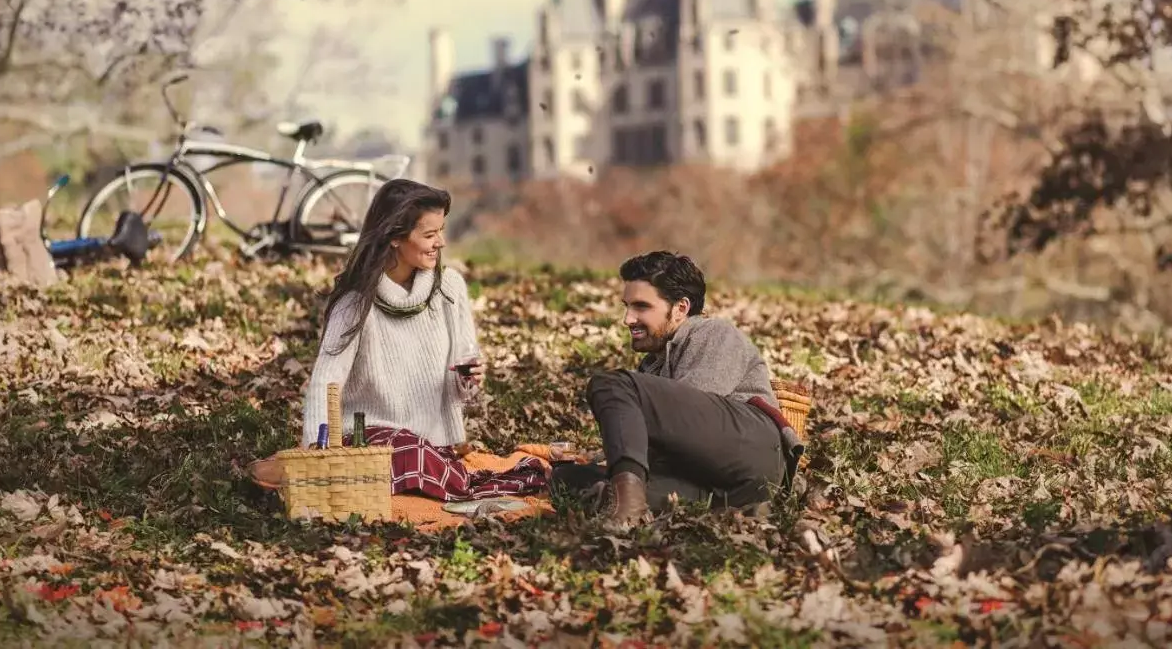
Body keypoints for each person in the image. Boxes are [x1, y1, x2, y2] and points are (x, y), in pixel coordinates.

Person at [266, 178, 545, 501]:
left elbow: (461, 388)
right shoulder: (355, 304)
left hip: (433, 445)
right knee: (408, 456)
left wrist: (470, 381)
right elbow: (324, 382)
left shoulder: (450, 288)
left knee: (421, 456)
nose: (440, 242)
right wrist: (316, 453)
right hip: (371, 437)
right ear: (396, 237)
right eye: (429, 234)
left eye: (441, 231)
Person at [555, 251, 804, 529]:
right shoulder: (651, 367)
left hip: (753, 449)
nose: (628, 319)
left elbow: (687, 420)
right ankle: (626, 502)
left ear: (681, 308)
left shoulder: (714, 333)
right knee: (567, 478)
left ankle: (624, 510)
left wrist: (628, 444)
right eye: (627, 306)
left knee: (610, 383)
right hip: (722, 488)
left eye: (641, 306)